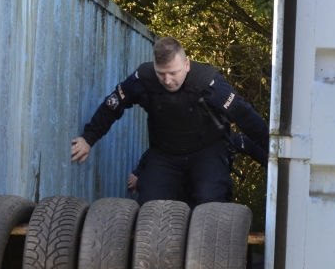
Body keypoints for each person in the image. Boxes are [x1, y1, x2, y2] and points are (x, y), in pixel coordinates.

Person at [70, 37, 269, 206]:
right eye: (161, 73)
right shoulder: (143, 79)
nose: (167, 80)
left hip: (207, 150)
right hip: (166, 153)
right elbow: (113, 105)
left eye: (173, 73)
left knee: (209, 202)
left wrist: (274, 149)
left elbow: (245, 116)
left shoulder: (208, 82)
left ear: (187, 65)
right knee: (149, 206)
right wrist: (89, 138)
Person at [127, 133, 268, 202]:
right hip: (184, 190)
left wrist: (273, 166)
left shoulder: (226, 137)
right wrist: (138, 173)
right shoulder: (184, 134)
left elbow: (252, 146)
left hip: (211, 193)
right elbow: (157, 151)